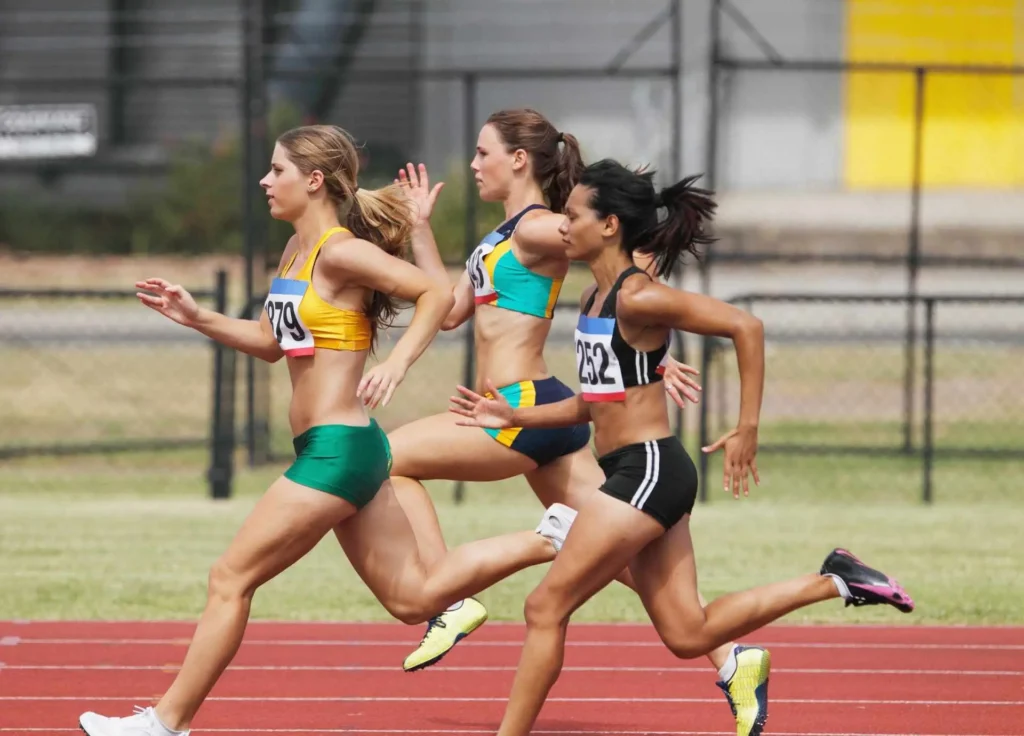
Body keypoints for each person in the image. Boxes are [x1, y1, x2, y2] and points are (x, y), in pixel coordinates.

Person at [77, 124, 577, 736]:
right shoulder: (295, 254)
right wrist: (196, 315)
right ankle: (552, 537)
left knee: (230, 578)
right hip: (338, 449)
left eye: (276, 170)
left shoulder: (342, 251)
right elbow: (268, 343)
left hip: (338, 450)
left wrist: (395, 363)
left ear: (313, 181)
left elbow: (430, 294)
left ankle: (165, 723)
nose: (265, 181)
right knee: (414, 601)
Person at [449, 159, 916, 736]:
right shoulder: (594, 300)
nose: (562, 226)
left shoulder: (637, 298)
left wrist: (747, 426)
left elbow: (746, 326)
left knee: (545, 606)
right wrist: (514, 414)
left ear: (610, 225)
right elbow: (596, 404)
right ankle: (838, 579)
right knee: (688, 635)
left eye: (572, 216)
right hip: (635, 469)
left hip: (647, 470)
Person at [388, 108, 771, 732]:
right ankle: (732, 660)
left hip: (522, 407)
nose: (473, 164)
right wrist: (420, 230)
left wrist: (654, 353)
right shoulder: (505, 232)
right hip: (547, 409)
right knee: (620, 560)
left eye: (483, 153)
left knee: (388, 459)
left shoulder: (539, 227)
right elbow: (451, 310)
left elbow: (624, 258)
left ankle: (450, 598)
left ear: (518, 160)